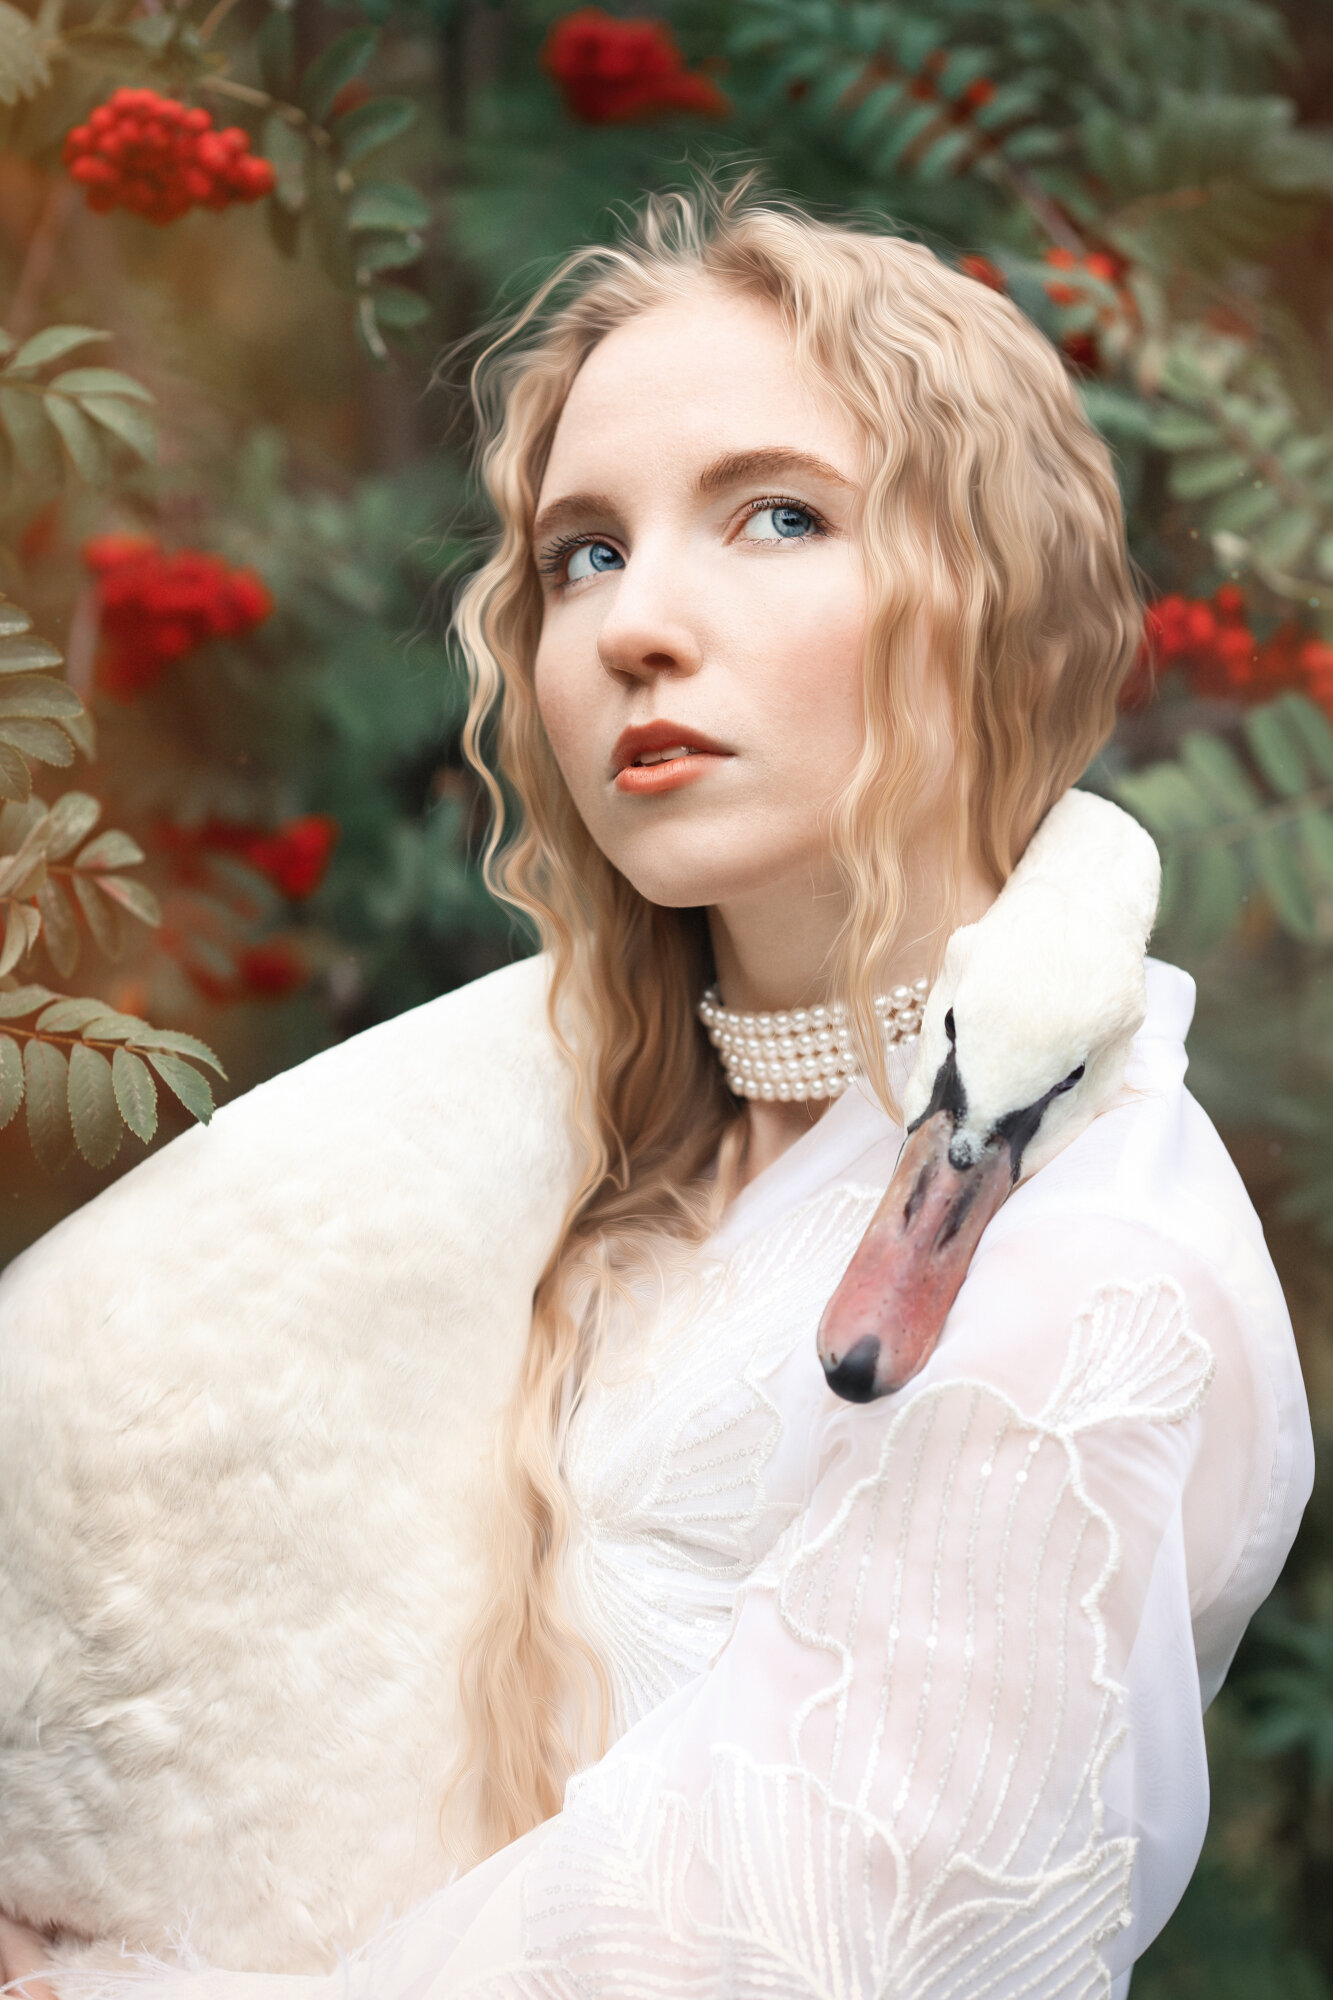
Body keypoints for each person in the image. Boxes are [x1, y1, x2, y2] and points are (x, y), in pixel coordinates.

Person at [0, 185, 1313, 1998]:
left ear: (993, 597)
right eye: (582, 555)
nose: (635, 625)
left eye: (778, 515)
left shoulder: (1081, 1279)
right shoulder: (552, 1158)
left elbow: (768, 1963)